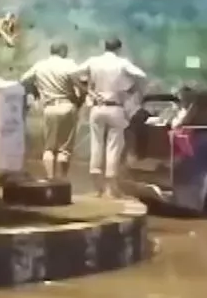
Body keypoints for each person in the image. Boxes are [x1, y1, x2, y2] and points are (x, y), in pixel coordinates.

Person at [74, 36, 147, 198]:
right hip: (115, 107)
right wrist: (132, 90)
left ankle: (97, 187)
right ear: (119, 48)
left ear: (104, 46)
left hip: (97, 107)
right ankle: (110, 188)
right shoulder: (122, 63)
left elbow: (74, 74)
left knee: (96, 144)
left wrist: (89, 91)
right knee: (113, 147)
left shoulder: (94, 61)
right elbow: (142, 76)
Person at [19, 42, 82, 180]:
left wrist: (34, 91)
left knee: (49, 148)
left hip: (49, 108)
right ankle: (62, 179)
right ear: (62, 51)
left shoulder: (40, 65)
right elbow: (81, 83)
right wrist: (80, 99)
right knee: (64, 149)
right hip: (67, 105)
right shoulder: (69, 64)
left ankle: (50, 178)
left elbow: (23, 80)